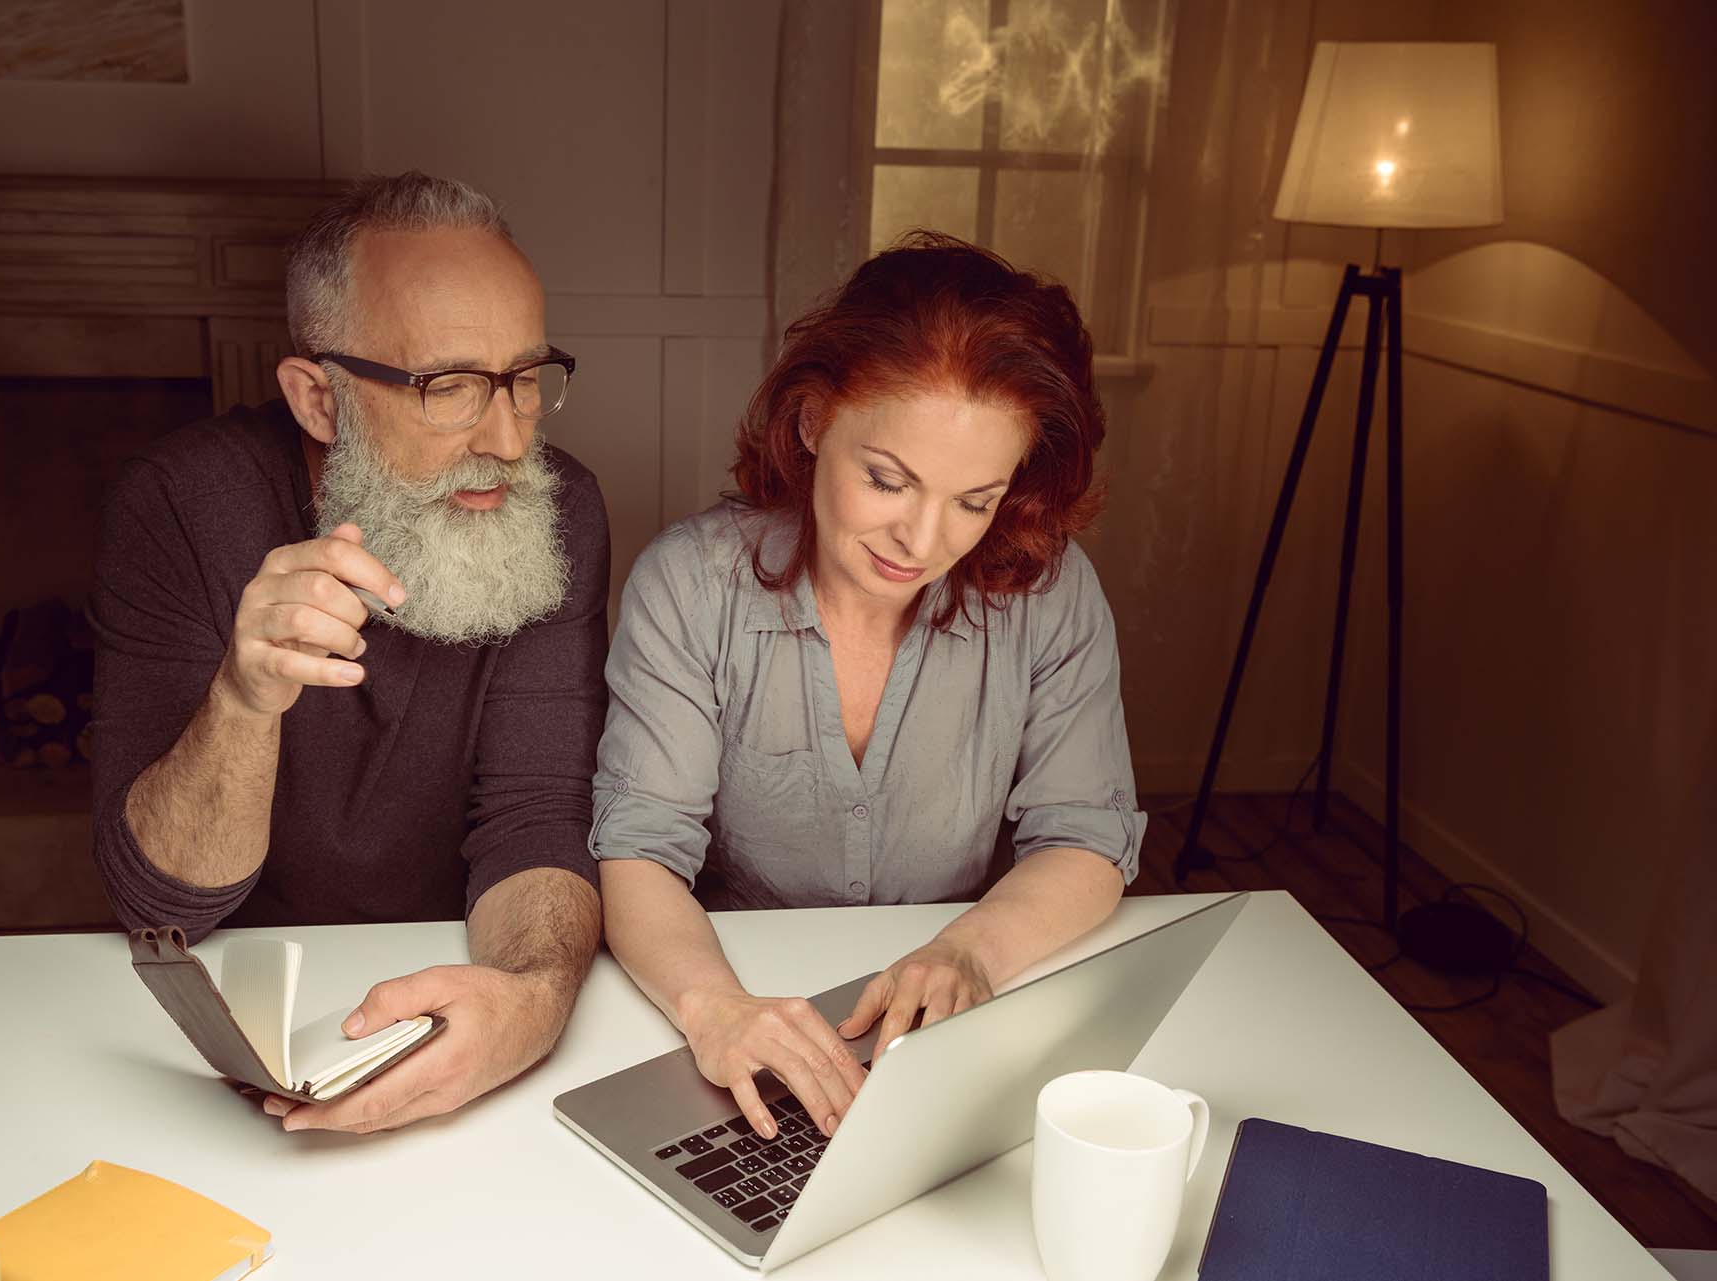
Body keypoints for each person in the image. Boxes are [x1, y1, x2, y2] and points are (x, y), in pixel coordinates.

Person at [591, 232, 1146, 1142]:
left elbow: (1086, 834)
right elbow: (641, 848)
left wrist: (970, 950)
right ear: (813, 423)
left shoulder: (1051, 591)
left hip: (940, 1033)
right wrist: (715, 1008)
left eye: (975, 500)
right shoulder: (689, 587)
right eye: (889, 480)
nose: (923, 540)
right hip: (741, 1005)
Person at [89, 172, 608, 1134]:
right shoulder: (179, 504)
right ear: (320, 401)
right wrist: (243, 701)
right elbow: (157, 903)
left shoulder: (557, 506)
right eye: (449, 387)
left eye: (525, 378)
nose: (507, 438)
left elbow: (535, 812)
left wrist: (532, 1001)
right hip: (248, 1006)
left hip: (465, 958)